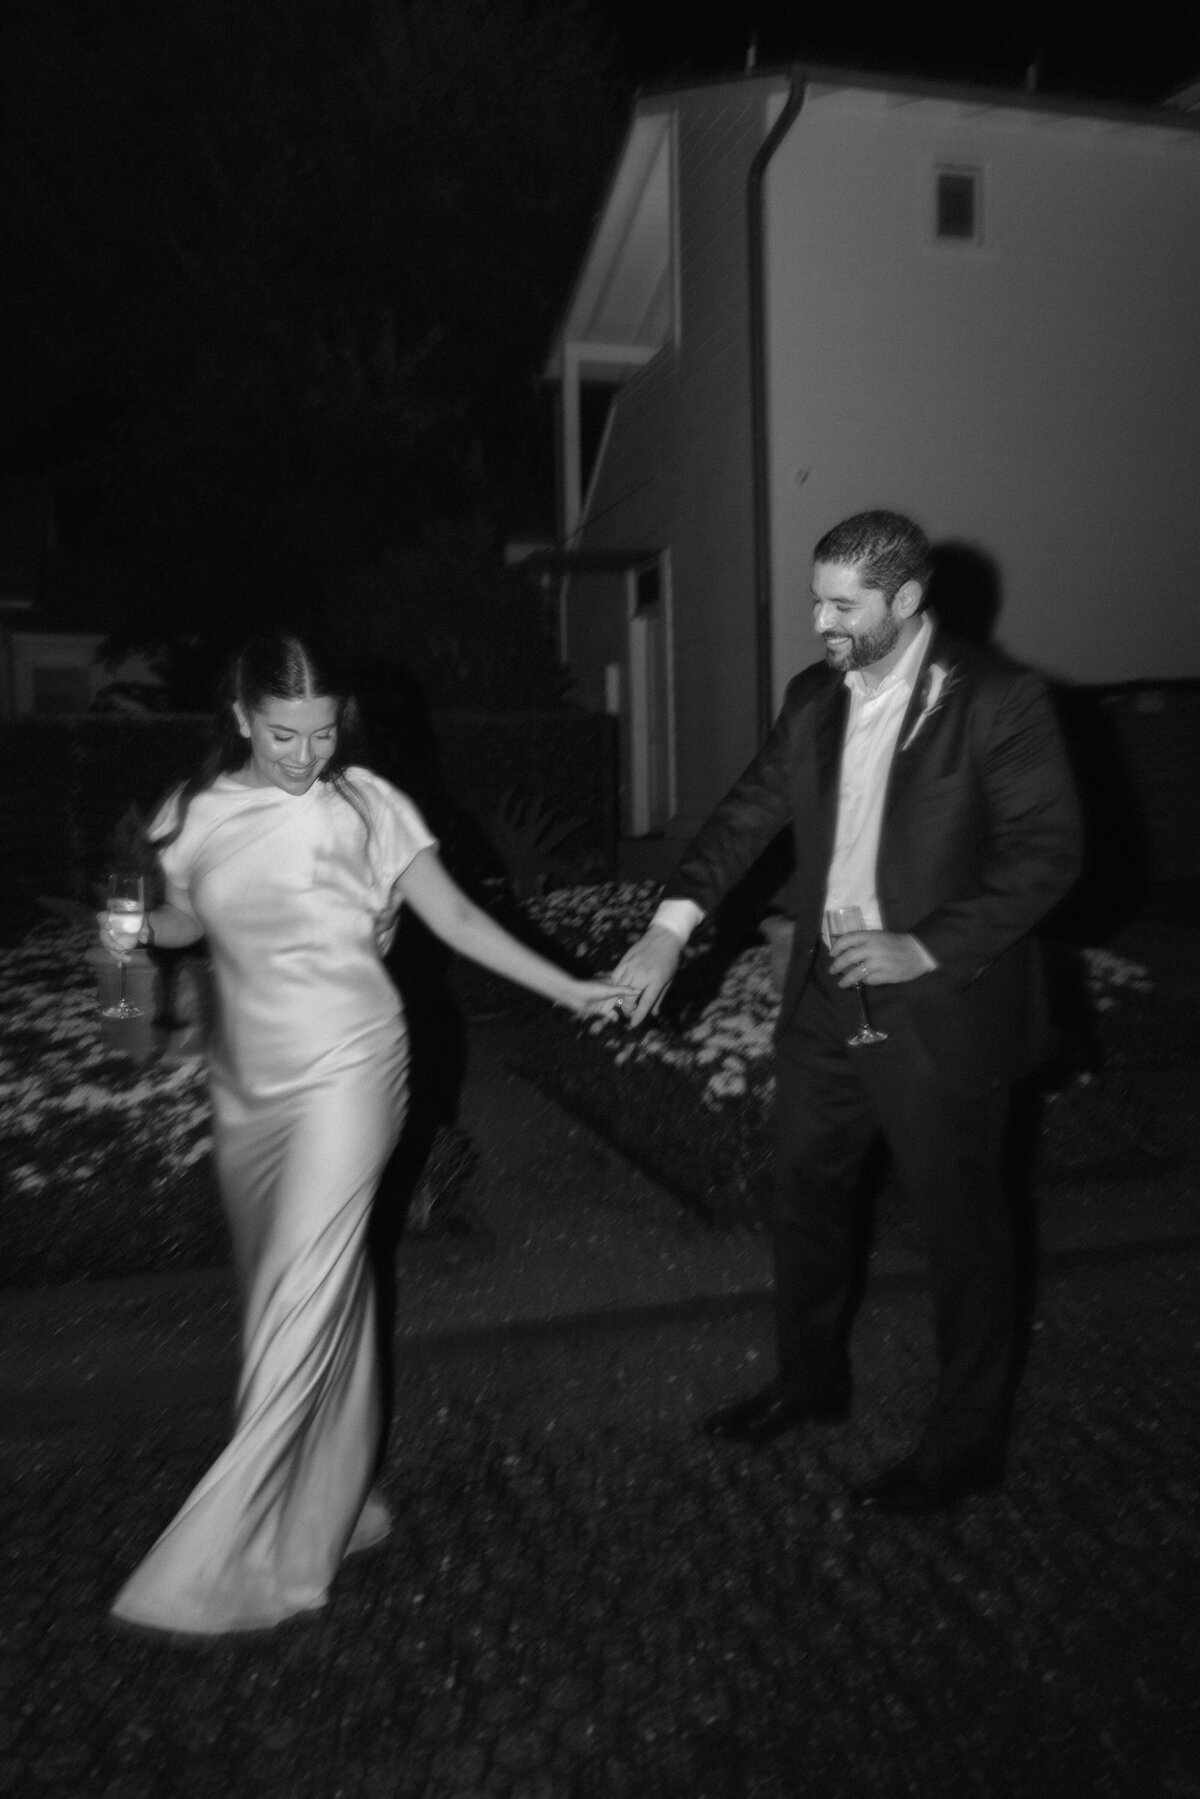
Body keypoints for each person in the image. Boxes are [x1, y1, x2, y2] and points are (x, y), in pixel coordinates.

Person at [100, 632, 631, 1636]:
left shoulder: (368, 804)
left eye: (325, 732)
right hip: (246, 1079)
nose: (307, 756)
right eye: (285, 734)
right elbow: (176, 923)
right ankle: (334, 1501)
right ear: (242, 721)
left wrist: (569, 985)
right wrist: (126, 931)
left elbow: (462, 922)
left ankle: (244, 1551)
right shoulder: (192, 813)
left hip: (354, 1063)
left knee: (303, 1293)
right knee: (293, 1294)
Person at [613, 511, 1082, 1514]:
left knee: (965, 1230)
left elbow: (1048, 852)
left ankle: (965, 1443)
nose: (820, 621)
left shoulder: (997, 700)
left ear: (906, 601)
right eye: (815, 598)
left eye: (842, 605)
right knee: (805, 1195)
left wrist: (928, 941)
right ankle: (811, 1382)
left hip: (940, 1006)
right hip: (831, 996)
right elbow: (747, 812)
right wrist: (670, 923)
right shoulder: (814, 698)